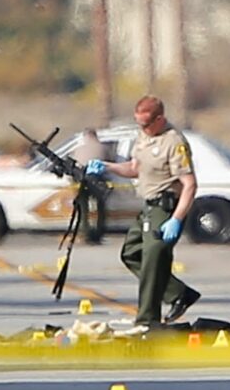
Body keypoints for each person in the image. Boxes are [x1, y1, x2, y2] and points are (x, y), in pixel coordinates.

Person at [85, 96, 202, 333]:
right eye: (139, 124)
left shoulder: (174, 142)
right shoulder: (143, 137)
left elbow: (190, 185)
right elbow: (134, 168)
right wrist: (107, 166)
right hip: (148, 207)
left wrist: (176, 220)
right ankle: (178, 293)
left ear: (160, 119)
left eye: (147, 124)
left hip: (166, 208)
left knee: (151, 261)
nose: (143, 129)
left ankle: (147, 319)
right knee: (131, 253)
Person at [74, 128, 107, 245]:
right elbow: (108, 163)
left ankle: (85, 232)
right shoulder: (103, 148)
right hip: (98, 180)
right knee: (100, 208)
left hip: (82, 181)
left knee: (83, 209)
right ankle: (99, 232)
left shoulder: (79, 149)